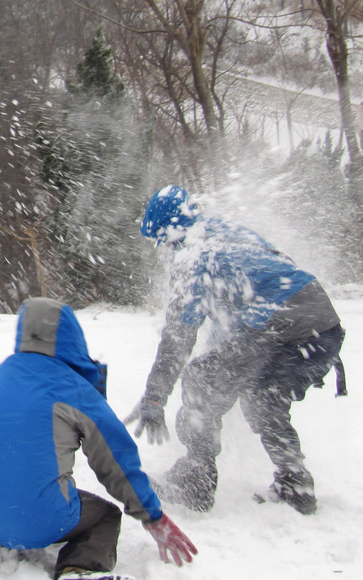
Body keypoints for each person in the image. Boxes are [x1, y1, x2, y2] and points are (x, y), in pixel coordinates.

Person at [0, 297, 197, 580]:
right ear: (72, 337)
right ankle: (79, 571)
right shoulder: (77, 389)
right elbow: (116, 462)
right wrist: (153, 516)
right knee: (105, 515)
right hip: (36, 521)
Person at [126, 186, 345, 515]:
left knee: (201, 380)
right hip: (322, 326)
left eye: (160, 241)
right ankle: (295, 484)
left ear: (170, 234)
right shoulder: (227, 233)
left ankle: (195, 480)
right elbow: (237, 323)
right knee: (262, 398)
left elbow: (177, 339)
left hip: (282, 324)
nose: (162, 250)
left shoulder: (193, 255)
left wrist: (155, 397)